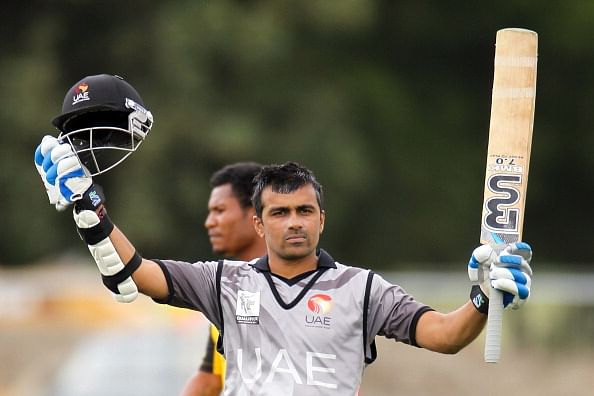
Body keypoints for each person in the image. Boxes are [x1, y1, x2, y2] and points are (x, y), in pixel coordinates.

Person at [35, 75, 533, 395]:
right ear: (259, 223)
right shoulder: (223, 282)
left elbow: (443, 336)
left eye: (304, 210)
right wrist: (89, 205)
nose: (293, 221)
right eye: (279, 212)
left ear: (322, 219)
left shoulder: (362, 290)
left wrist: (484, 298)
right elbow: (135, 273)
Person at [181, 162, 266, 396]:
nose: (209, 222)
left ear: (255, 214)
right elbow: (210, 378)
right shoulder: (228, 286)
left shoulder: (298, 288)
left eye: (219, 210)